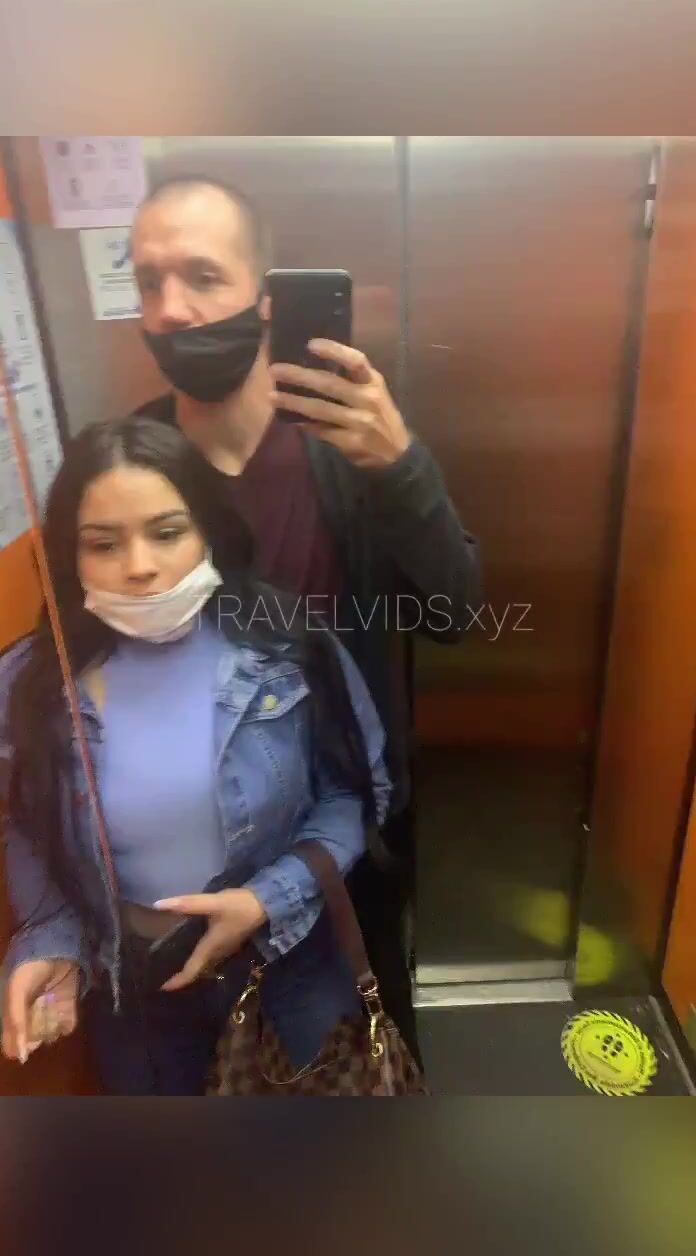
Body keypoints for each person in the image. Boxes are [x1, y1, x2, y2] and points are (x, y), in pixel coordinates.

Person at [131, 175, 479, 1058]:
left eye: (203, 275)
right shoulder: (132, 468)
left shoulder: (351, 448)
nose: (170, 308)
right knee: (218, 1070)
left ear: (266, 295)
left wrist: (402, 471)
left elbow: (456, 613)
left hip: (346, 838)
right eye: (148, 281)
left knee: (363, 1051)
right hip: (195, 857)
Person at [0, 416, 394, 1096]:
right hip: (136, 991)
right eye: (103, 544)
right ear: (70, 555)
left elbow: (358, 795)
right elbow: (25, 827)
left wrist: (265, 899)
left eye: (167, 532)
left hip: (287, 968)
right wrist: (50, 943)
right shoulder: (27, 683)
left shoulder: (288, 646)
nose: (140, 566)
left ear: (208, 529)